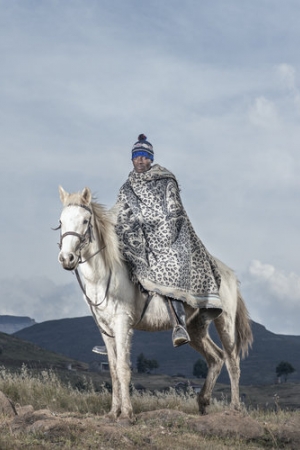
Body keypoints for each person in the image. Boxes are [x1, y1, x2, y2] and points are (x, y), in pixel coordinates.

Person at [115, 134, 223, 347]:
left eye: (144, 156)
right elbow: (118, 213)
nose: (140, 160)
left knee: (167, 266)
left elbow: (174, 211)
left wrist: (149, 226)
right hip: (137, 239)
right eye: (136, 156)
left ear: (151, 159)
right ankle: (112, 332)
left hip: (167, 237)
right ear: (132, 159)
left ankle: (178, 324)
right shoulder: (126, 188)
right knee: (113, 266)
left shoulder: (165, 180)